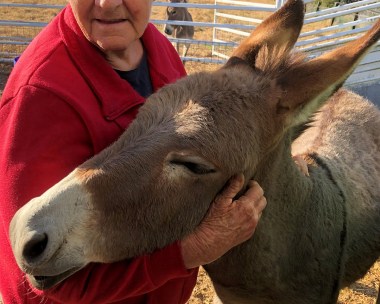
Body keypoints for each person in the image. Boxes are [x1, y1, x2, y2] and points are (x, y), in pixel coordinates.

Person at [0, 0, 267, 303]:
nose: (108, 3)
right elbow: (37, 271)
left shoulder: (160, 49)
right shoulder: (38, 94)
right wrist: (190, 252)